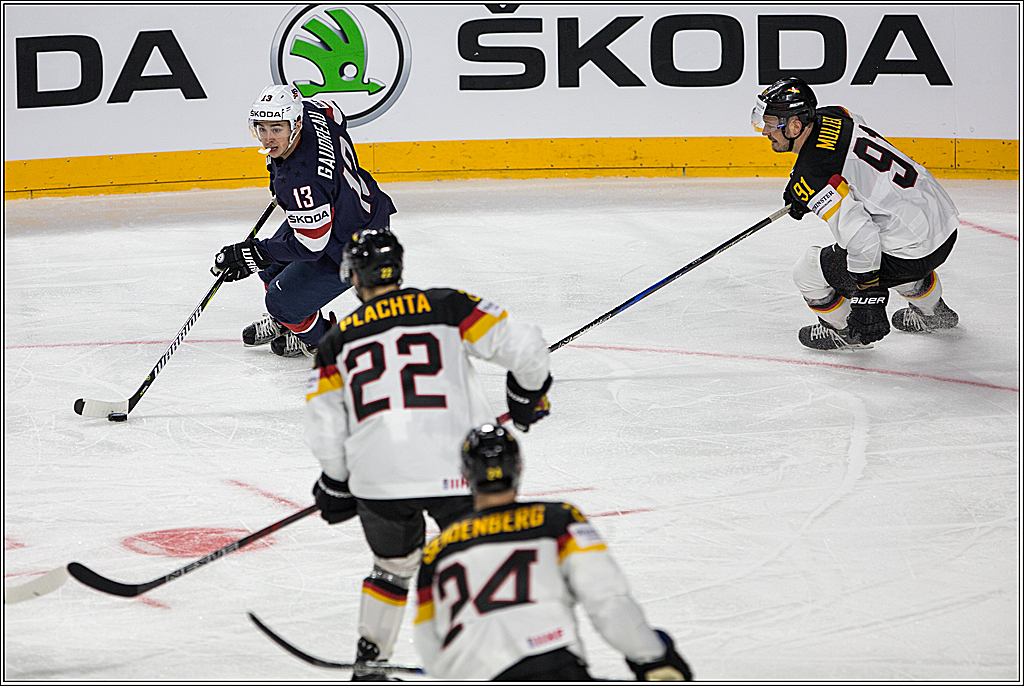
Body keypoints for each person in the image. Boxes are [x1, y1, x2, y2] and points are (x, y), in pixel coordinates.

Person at [303, 227, 554, 679]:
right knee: (479, 555)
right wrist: (526, 395)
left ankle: (371, 661)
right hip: (459, 470)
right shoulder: (446, 305)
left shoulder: (334, 341)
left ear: (356, 278)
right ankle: (503, 654)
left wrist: (336, 481)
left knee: (392, 568)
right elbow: (528, 348)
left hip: (379, 479)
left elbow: (325, 428)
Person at [413, 424, 693, 681]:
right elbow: (608, 602)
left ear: (465, 475)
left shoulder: (436, 551)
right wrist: (653, 658)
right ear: (520, 468)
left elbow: (429, 647)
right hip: (548, 664)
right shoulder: (557, 519)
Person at [752, 77, 960, 350]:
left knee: (807, 271)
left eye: (770, 124)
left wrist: (868, 294)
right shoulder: (835, 114)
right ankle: (934, 313)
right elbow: (846, 155)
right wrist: (801, 183)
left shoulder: (815, 176)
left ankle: (845, 332)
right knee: (895, 233)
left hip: (912, 253)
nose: (765, 131)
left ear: (795, 125)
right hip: (943, 223)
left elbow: (862, 237)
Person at [211, 84, 396, 358]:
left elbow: (311, 246)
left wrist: (251, 253)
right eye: (262, 128)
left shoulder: (301, 182)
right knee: (271, 269)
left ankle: (318, 340)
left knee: (279, 300)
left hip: (354, 244)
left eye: (276, 129)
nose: (268, 138)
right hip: (347, 209)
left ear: (295, 124)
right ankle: (291, 323)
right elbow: (336, 112)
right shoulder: (311, 112)